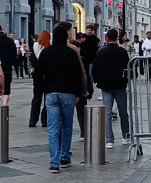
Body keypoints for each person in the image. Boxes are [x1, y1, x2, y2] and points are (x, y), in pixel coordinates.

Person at [34, 22, 85, 173]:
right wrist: (77, 93)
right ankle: (64, 157)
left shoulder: (46, 52)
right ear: (65, 37)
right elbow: (78, 74)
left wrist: (42, 89)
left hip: (51, 94)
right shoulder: (70, 53)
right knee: (67, 126)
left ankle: (53, 162)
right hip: (68, 94)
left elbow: (37, 74)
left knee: (53, 128)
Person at [91, 28, 130, 150]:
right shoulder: (122, 52)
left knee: (107, 113)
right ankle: (125, 136)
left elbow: (94, 69)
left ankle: (109, 140)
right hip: (120, 86)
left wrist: (98, 80)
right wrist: (126, 80)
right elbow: (128, 69)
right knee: (123, 111)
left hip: (106, 86)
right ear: (117, 38)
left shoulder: (100, 52)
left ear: (106, 38)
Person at [28, 30, 51, 128]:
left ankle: (32, 120)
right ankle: (44, 120)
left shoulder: (35, 47)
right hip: (48, 75)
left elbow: (32, 60)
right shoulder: (49, 49)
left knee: (36, 97)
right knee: (47, 98)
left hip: (37, 75)